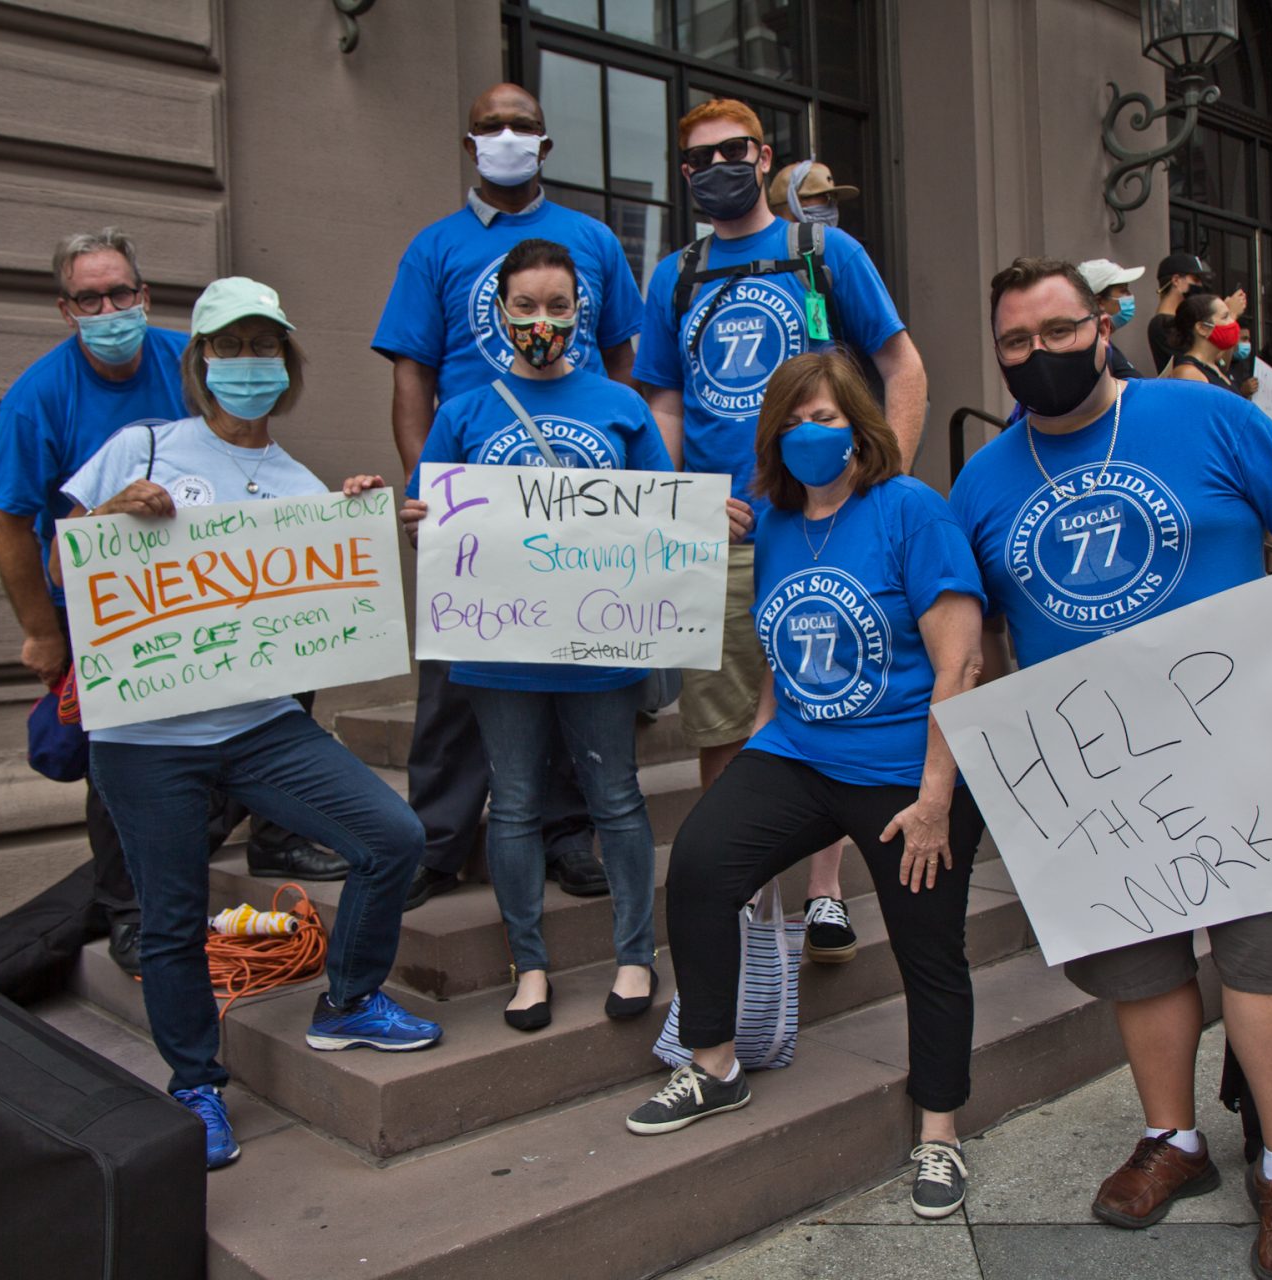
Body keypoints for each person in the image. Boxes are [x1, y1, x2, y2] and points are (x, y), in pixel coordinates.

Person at [950, 257, 1272, 1280]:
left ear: (1103, 325)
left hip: (1251, 739)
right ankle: (1174, 1139)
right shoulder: (980, 480)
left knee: (1271, 957)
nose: (1040, 354)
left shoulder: (1207, 418)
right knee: (1140, 962)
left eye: (1059, 331)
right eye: (1016, 343)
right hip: (1102, 771)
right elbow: (967, 626)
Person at [61, 278, 442, 1170]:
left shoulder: (296, 481)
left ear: (288, 364)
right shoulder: (142, 445)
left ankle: (348, 1000)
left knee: (392, 834)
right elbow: (63, 552)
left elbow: (327, 597)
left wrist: (355, 519)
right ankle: (195, 1085)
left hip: (262, 725)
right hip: (146, 736)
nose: (247, 364)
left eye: (263, 347)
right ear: (199, 363)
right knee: (170, 915)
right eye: (229, 348)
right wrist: (114, 518)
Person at [625, 350, 988, 1223]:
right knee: (704, 866)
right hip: (797, 753)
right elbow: (783, 653)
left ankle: (939, 1130)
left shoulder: (910, 511)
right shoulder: (780, 524)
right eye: (792, 421)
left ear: (860, 427)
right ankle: (713, 1064)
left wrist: (936, 799)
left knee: (927, 952)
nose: (808, 435)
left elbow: (962, 662)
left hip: (907, 773)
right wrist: (756, 755)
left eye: (825, 418)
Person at [0, 229, 346, 978]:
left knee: (288, 676)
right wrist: (40, 630)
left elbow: (240, 441)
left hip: (219, 593)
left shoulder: (196, 354)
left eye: (123, 293)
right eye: (91, 298)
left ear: (146, 298)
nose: (110, 309)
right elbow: (13, 523)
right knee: (117, 757)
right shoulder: (37, 400)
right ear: (67, 309)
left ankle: (275, 827)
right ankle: (129, 912)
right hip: (116, 605)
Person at [634, 97, 930, 961]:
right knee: (727, 724)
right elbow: (663, 397)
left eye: (732, 152)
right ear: (685, 175)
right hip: (725, 536)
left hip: (829, 522)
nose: (717, 168)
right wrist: (679, 500)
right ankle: (747, 897)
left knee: (829, 699)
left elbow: (900, 363)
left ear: (763, 157)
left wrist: (888, 479)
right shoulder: (672, 277)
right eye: (698, 160)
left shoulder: (824, 253)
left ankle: (826, 892)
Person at [399, 240, 719, 1028]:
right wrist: (412, 520)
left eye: (558, 306)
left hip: (598, 651)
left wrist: (711, 524)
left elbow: (662, 518)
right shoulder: (463, 413)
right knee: (511, 806)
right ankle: (530, 968)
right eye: (526, 307)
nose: (542, 321)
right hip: (500, 650)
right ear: (499, 314)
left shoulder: (620, 405)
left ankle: (636, 957)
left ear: (581, 313)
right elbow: (429, 531)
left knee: (615, 798)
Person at [372, 82, 646, 911]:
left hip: (579, 503)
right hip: (476, 503)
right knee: (459, 677)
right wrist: (433, 492)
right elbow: (413, 375)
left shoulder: (593, 240)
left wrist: (617, 487)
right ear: (469, 143)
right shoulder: (435, 248)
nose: (506, 136)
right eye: (490, 125)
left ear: (545, 145)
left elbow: (623, 365)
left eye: (521, 125)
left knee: (569, 661)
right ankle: (440, 840)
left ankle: (566, 834)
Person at [1145, 252, 1244, 374]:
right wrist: (1230, 315)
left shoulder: (1187, 321)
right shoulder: (1162, 323)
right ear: (1176, 280)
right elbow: (1202, 365)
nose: (1200, 285)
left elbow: (1221, 365)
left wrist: (1227, 319)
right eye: (1195, 279)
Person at [1159, 291, 1240, 392]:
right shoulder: (1189, 373)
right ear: (1202, 328)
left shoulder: (1213, 367)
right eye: (1225, 317)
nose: (1232, 322)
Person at [1078, 258, 1144, 379]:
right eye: (1123, 291)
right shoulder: (1094, 351)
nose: (1130, 296)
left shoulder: (1107, 345)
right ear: (1099, 301)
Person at [768, 158, 858, 227]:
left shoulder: (840, 245)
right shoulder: (767, 247)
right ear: (794, 201)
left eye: (832, 197)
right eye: (823, 196)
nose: (831, 204)